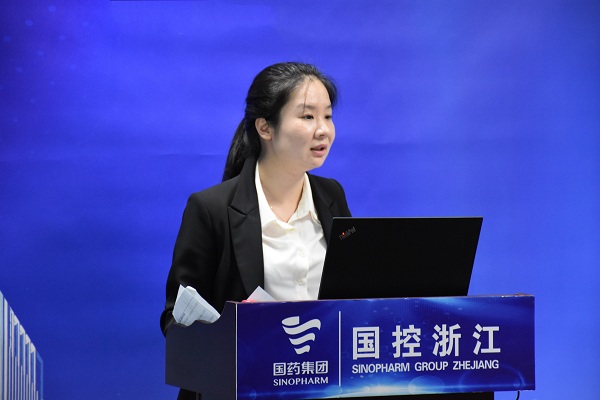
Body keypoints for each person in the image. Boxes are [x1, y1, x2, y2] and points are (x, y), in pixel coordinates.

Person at [160, 62, 352, 399]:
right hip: (242, 388)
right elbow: (175, 319)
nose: (323, 130)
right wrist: (235, 339)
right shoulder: (211, 209)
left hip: (319, 384)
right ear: (265, 127)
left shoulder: (332, 196)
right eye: (308, 116)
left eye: (328, 116)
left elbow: (352, 294)